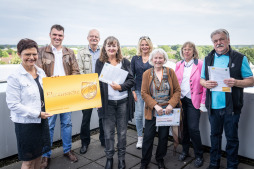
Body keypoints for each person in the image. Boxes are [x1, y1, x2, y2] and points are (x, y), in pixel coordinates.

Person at [200, 29, 254, 169]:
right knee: (215, 136)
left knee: (231, 139)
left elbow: (251, 81)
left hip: (231, 108)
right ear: (213, 43)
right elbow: (201, 79)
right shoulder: (207, 59)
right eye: (215, 41)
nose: (219, 43)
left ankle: (232, 165)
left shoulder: (240, 58)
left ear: (228, 40)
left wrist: (236, 82)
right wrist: (205, 83)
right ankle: (214, 163)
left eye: (221, 39)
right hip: (213, 106)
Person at [36, 24, 80, 169]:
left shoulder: (69, 52)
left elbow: (76, 71)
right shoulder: (41, 51)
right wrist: (50, 81)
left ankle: (67, 150)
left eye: (60, 35)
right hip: (49, 94)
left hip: (66, 93)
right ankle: (46, 155)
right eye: (55, 35)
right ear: (50, 35)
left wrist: (66, 81)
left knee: (67, 123)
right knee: (49, 125)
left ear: (63, 37)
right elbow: (37, 73)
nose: (57, 37)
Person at [6, 39, 52, 169]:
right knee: (28, 161)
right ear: (19, 54)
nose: (32, 58)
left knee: (38, 156)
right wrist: (38, 114)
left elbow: (44, 93)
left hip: (41, 121)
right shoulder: (15, 77)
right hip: (26, 125)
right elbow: (13, 104)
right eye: (27, 54)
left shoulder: (41, 72)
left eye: (34, 54)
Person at [95, 36, 135, 169]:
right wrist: (97, 101)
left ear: (118, 47)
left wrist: (120, 87)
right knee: (108, 133)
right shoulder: (100, 63)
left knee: (123, 133)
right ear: (105, 48)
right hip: (107, 104)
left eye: (114, 45)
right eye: (109, 45)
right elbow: (96, 84)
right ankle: (109, 158)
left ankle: (122, 158)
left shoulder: (124, 62)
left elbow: (131, 81)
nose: (111, 48)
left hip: (123, 103)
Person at [140, 49, 181, 169]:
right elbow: (143, 93)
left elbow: (177, 91)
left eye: (160, 58)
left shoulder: (170, 72)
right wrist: (155, 106)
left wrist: (170, 105)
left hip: (166, 112)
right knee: (148, 136)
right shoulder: (147, 73)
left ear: (164, 59)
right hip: (152, 110)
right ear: (152, 59)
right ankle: (144, 161)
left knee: (163, 137)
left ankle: (160, 158)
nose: (158, 60)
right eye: (155, 58)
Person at [175, 41, 206, 168]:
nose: (186, 51)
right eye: (184, 49)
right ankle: (185, 151)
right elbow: (176, 82)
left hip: (194, 101)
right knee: (184, 129)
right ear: (182, 51)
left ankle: (199, 155)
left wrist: (203, 103)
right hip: (182, 101)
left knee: (193, 129)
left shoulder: (200, 64)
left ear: (194, 51)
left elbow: (205, 86)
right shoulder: (179, 64)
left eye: (189, 49)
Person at [77, 29, 105, 155]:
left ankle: (103, 140)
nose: (94, 38)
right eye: (92, 36)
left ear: (99, 39)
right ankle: (85, 142)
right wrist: (89, 84)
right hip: (87, 89)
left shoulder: (103, 52)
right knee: (86, 118)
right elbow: (79, 70)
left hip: (102, 88)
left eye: (96, 37)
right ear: (87, 38)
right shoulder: (81, 52)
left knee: (102, 116)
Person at [131, 36, 153, 149]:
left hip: (151, 92)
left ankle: (149, 137)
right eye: (142, 44)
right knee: (139, 115)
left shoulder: (154, 57)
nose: (144, 46)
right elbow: (131, 75)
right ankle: (140, 138)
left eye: (146, 44)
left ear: (150, 45)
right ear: (140, 46)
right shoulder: (135, 58)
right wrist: (133, 91)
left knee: (149, 116)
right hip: (139, 91)